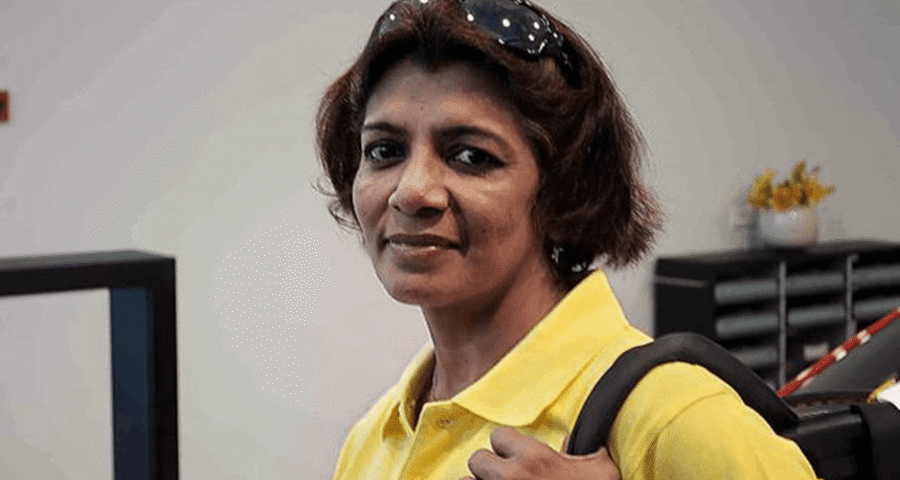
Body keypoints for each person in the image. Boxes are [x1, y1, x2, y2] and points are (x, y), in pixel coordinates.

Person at [316, 0, 820, 478]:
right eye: (384, 151)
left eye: (471, 156)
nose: (411, 191)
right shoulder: (373, 438)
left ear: (564, 191)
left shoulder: (673, 415)